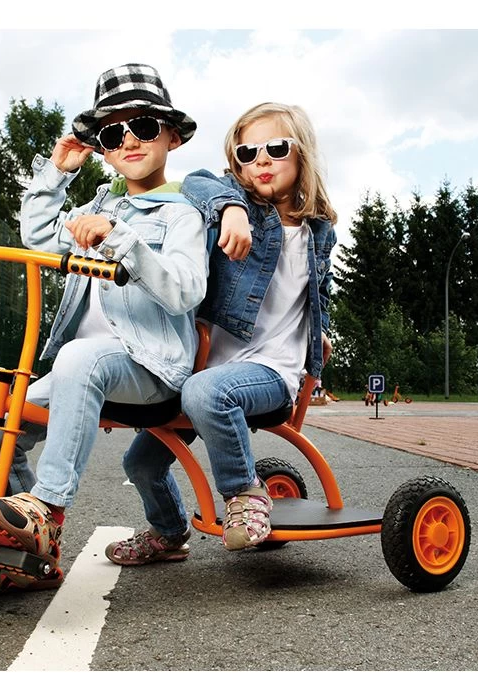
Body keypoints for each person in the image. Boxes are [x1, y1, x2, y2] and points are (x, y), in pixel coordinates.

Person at [0, 63, 208, 585]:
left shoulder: (183, 214)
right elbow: (38, 236)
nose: (129, 140)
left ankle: (48, 510)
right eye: (112, 134)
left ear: (172, 136)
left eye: (142, 126)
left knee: (80, 357)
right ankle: (30, 549)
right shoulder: (99, 204)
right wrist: (57, 173)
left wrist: (119, 238)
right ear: (101, 148)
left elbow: (186, 289)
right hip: (83, 370)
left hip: (151, 368)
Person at [105, 101, 337, 564]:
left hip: (272, 371)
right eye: (247, 154)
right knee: (141, 462)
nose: (261, 161)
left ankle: (245, 492)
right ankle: (168, 532)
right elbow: (195, 182)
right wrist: (231, 209)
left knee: (206, 393)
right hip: (207, 369)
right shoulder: (233, 203)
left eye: (275, 148)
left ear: (302, 153)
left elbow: (320, 291)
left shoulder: (318, 231)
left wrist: (322, 333)